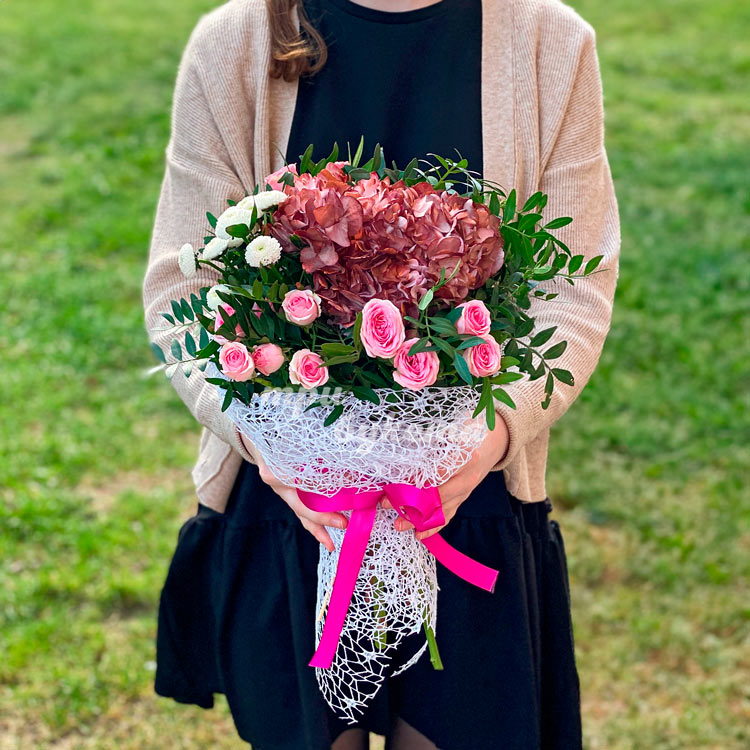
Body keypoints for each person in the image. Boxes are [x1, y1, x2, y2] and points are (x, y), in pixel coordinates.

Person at [142, 0, 621, 748]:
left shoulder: (549, 43)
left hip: (467, 499)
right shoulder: (237, 41)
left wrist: (492, 440)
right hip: (297, 506)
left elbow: (574, 292)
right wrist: (274, 448)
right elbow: (185, 284)